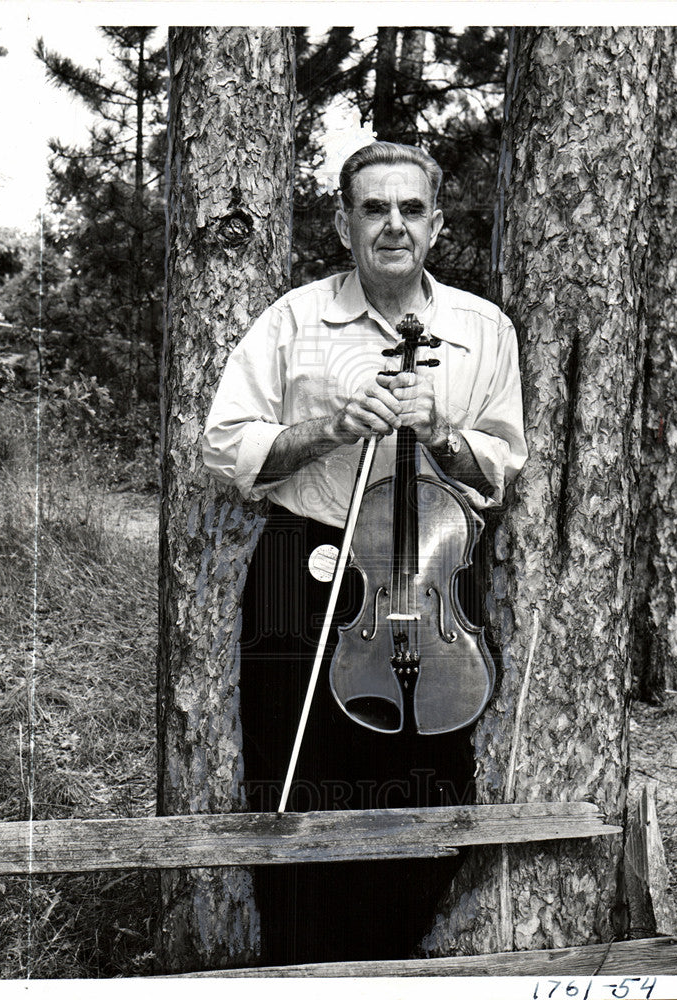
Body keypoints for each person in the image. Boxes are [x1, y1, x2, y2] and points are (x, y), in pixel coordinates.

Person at [202, 141, 527, 965]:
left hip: (427, 572)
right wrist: (329, 429)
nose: (393, 225)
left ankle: (390, 958)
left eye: (410, 209)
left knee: (429, 774)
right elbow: (226, 445)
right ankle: (301, 962)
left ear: (438, 224)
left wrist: (443, 436)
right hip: (304, 562)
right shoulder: (294, 321)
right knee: (295, 772)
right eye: (373, 208)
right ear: (345, 225)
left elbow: (500, 465)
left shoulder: (482, 331)